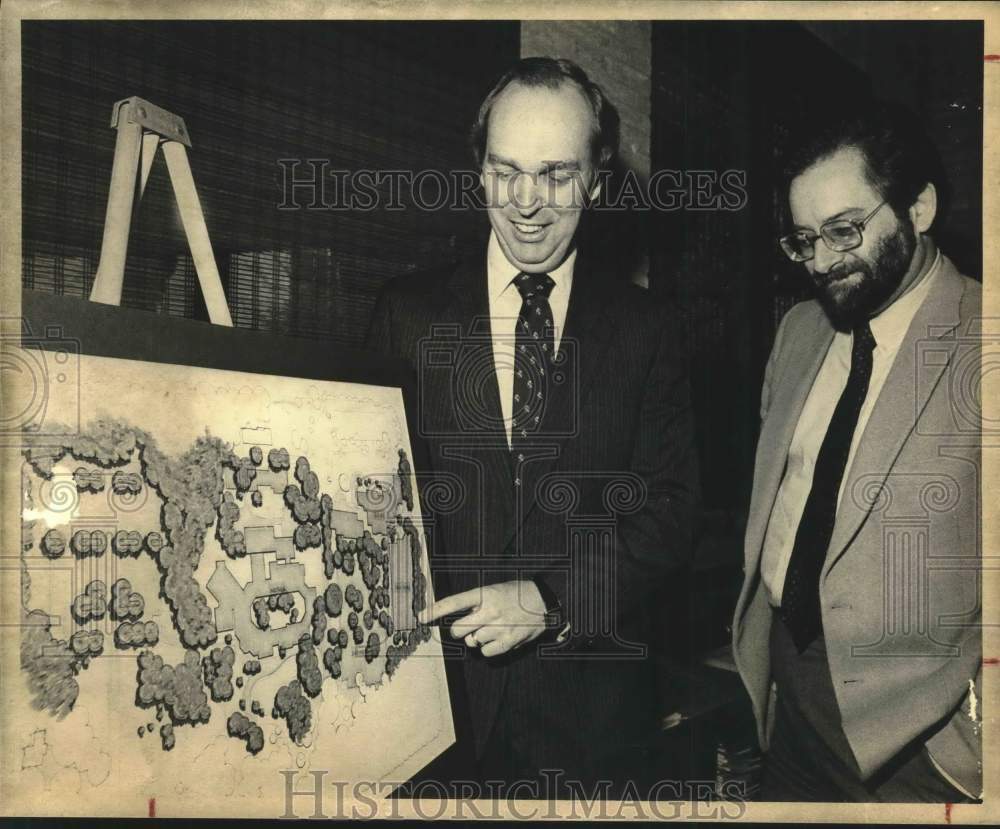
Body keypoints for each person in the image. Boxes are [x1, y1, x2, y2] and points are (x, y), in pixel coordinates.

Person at [366, 57, 698, 797]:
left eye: (555, 173)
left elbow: (671, 514)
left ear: (596, 181)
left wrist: (551, 599)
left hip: (591, 730)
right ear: (480, 172)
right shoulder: (406, 313)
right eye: (504, 171)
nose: (526, 203)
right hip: (430, 722)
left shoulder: (650, 330)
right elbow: (372, 506)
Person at [732, 101, 982, 802]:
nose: (822, 262)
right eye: (804, 239)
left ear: (920, 207)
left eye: (845, 231)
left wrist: (975, 744)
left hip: (924, 746)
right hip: (790, 701)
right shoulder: (799, 331)